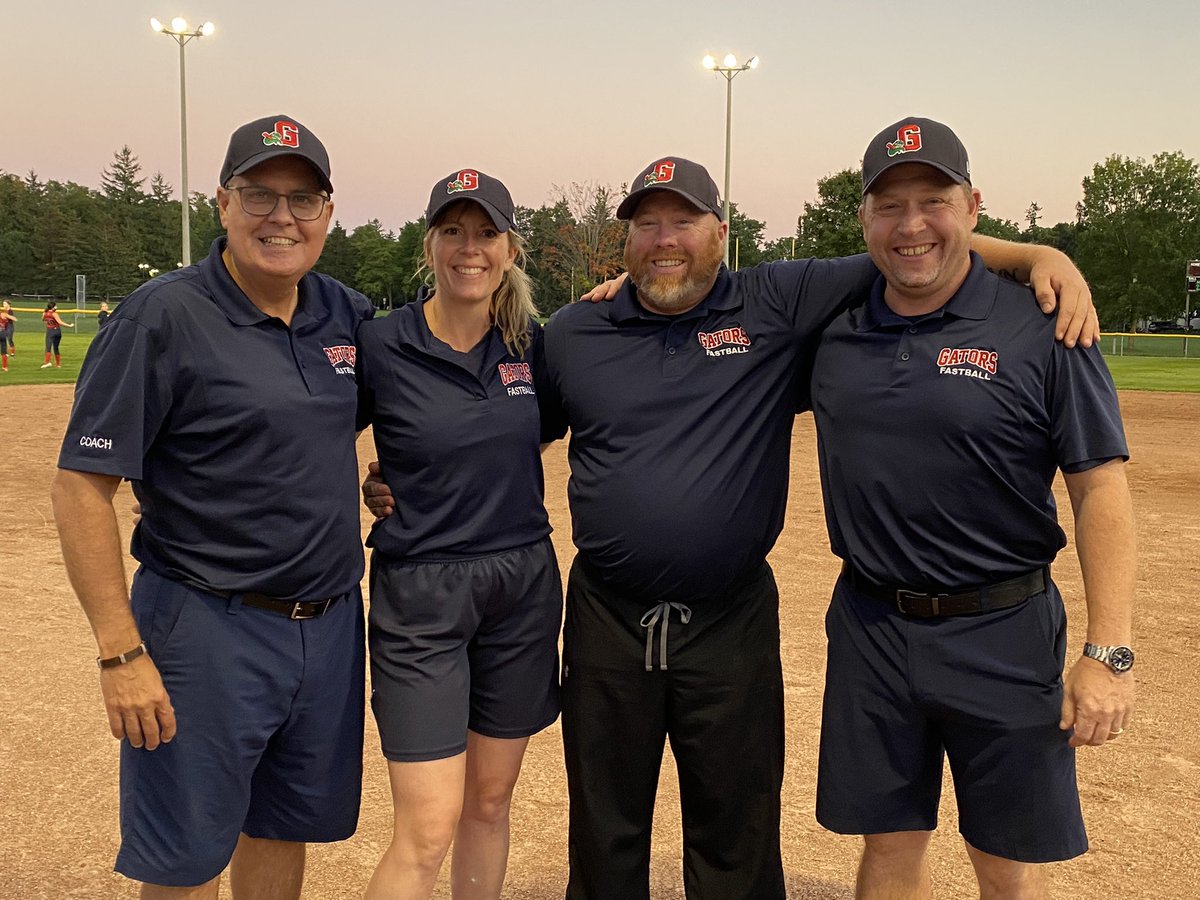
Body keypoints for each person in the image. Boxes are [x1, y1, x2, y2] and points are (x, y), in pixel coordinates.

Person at [367, 155, 1096, 899]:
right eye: (647, 223)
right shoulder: (578, 330)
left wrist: (1039, 253)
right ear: (626, 240)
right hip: (607, 615)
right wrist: (404, 477)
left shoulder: (776, 301)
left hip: (731, 616)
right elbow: (509, 425)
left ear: (721, 229)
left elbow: (910, 245)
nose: (664, 238)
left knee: (735, 826)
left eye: (682, 219)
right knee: (605, 824)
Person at [807, 117, 1135, 900]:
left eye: (934, 200)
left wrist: (1110, 652)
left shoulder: (1047, 326)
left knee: (1003, 860)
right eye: (889, 205)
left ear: (973, 204)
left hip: (1005, 629)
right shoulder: (832, 331)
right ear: (864, 221)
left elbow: (1100, 491)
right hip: (872, 627)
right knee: (888, 845)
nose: (912, 224)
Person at [51, 114, 372, 899]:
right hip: (204, 624)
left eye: (303, 200)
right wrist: (120, 652)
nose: (281, 218)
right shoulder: (162, 315)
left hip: (328, 625)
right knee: (186, 856)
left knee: (282, 830)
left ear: (329, 213)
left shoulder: (347, 314)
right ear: (223, 201)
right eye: (260, 195)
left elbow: (423, 387)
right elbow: (81, 487)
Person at [356, 170, 562, 900]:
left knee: (488, 801)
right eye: (453, 231)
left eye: (485, 234)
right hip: (422, 596)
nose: (468, 248)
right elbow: (301, 432)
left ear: (510, 249)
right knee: (427, 826)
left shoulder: (534, 347)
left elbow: (546, 429)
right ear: (430, 245)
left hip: (521, 586)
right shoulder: (380, 344)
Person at [41, 299, 73, 367]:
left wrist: (46, 318)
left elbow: (43, 319)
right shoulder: (54, 314)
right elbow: (59, 322)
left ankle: (47, 362)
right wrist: (69, 325)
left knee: (48, 347)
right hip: (57, 331)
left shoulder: (45, 313)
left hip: (50, 331)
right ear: (53, 307)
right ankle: (58, 364)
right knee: (56, 348)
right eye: (55, 306)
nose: (57, 307)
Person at [0, 300, 14, 372]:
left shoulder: (8, 312)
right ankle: (5, 367)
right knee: (4, 351)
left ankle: (12, 353)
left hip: (3, 330)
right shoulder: (5, 315)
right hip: (2, 332)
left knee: (10, 339)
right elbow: (15, 319)